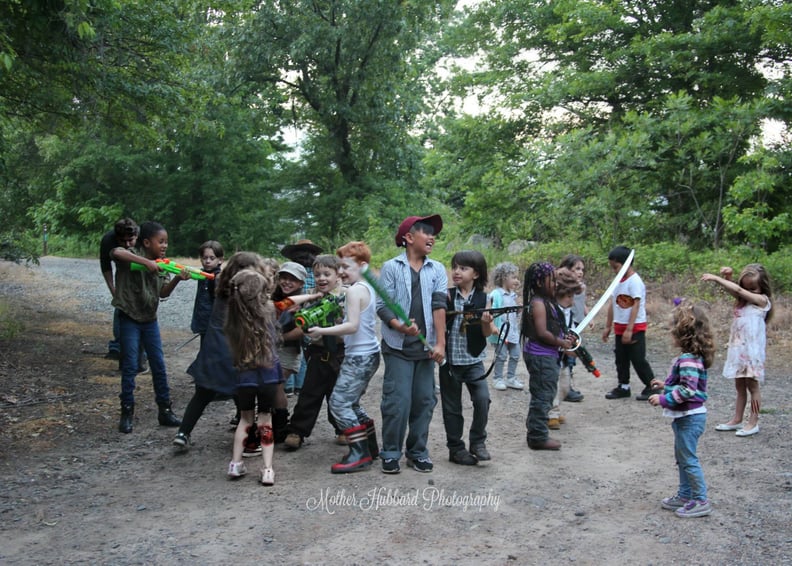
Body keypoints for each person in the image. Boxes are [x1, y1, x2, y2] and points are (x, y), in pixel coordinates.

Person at [174, 252, 268, 451]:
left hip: (212, 351)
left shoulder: (221, 291)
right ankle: (248, 436)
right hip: (233, 353)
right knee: (243, 393)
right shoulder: (246, 296)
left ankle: (183, 433)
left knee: (202, 395)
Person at [377, 214, 447, 474]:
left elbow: (440, 305)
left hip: (426, 348)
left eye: (433, 234)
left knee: (424, 401)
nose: (431, 237)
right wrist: (400, 326)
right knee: (398, 401)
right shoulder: (391, 267)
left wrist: (440, 344)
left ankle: (417, 452)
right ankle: (391, 452)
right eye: (425, 232)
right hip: (398, 347)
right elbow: (383, 306)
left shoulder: (437, 269)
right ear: (408, 238)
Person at [306, 241, 381, 473]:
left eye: (346, 267)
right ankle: (369, 446)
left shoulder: (356, 290)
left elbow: (351, 326)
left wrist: (321, 331)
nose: (341, 272)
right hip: (369, 354)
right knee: (352, 402)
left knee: (339, 404)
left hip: (359, 356)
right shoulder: (366, 287)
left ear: (362, 265)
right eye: (340, 267)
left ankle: (359, 454)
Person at [110, 221, 188, 433]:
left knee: (159, 366)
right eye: (160, 241)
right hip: (129, 318)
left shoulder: (164, 264)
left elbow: (163, 293)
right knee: (130, 366)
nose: (164, 246)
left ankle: (165, 410)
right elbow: (116, 252)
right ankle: (126, 412)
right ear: (146, 242)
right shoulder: (131, 254)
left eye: (166, 242)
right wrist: (145, 262)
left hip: (149, 320)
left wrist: (178, 279)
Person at [648, 301, 715, 518]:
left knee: (688, 458)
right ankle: (686, 494)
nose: (670, 335)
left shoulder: (688, 359)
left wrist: (664, 399)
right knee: (682, 457)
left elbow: (688, 390)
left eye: (672, 331)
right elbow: (685, 385)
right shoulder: (690, 358)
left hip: (690, 418)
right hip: (685, 417)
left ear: (683, 333)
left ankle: (700, 499)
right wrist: (666, 386)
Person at [223, 268, 281, 485]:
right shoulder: (269, 309)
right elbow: (289, 302)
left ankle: (235, 464)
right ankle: (267, 470)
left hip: (244, 377)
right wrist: (313, 295)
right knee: (265, 420)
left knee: (245, 419)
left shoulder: (233, 317)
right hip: (267, 376)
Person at [283, 255, 346, 450]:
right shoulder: (309, 294)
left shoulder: (347, 294)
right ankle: (297, 431)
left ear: (338, 275)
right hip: (317, 352)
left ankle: (343, 429)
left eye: (327, 274)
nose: (322, 278)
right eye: (317, 274)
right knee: (309, 394)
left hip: (341, 353)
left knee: (339, 395)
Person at [701, 264, 772, 437]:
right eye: (747, 287)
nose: (750, 292)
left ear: (762, 286)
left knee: (753, 386)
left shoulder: (762, 301)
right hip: (739, 349)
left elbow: (739, 291)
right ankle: (737, 418)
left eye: (753, 288)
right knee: (739, 385)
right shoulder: (743, 300)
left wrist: (717, 279)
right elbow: (736, 291)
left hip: (752, 351)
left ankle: (753, 421)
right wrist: (728, 278)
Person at [441, 250, 495, 466]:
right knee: (452, 407)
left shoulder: (485, 298)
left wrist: (485, 321)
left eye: (463, 268)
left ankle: (477, 442)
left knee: (483, 400)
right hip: (449, 362)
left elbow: (487, 333)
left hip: (473, 360)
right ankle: (456, 448)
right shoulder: (446, 295)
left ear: (476, 274)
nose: (456, 272)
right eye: (455, 267)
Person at [522, 262, 573, 450]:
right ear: (538, 283)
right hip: (541, 357)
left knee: (545, 393)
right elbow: (542, 332)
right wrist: (561, 343)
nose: (555, 283)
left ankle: (535, 429)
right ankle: (537, 436)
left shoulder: (547, 301)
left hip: (547, 355)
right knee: (543, 396)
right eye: (550, 279)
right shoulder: (538, 303)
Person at [601, 246, 657, 401]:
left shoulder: (635, 282)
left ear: (625, 264)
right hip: (619, 326)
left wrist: (629, 329)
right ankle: (623, 386)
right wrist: (608, 326)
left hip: (634, 327)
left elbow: (636, 306)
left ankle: (652, 386)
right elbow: (612, 303)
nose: (614, 270)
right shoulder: (617, 281)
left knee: (638, 358)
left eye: (616, 267)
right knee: (621, 358)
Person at [99, 218, 146, 372]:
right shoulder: (108, 241)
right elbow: (106, 266)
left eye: (130, 240)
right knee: (121, 316)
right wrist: (113, 291)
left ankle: (140, 355)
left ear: (137, 236)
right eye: (122, 241)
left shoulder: (144, 237)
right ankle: (118, 348)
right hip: (122, 280)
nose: (126, 244)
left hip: (142, 279)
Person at [281, 239, 323, 396]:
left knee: (292, 348)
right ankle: (301, 385)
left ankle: (288, 386)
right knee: (304, 350)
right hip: (312, 312)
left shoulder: (291, 271)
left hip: (292, 310)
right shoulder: (315, 271)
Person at [548, 267, 582, 430]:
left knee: (565, 386)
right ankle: (551, 413)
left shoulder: (569, 312)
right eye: (569, 296)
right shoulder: (551, 311)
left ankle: (556, 407)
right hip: (552, 355)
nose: (572, 300)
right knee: (552, 385)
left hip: (564, 357)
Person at [488, 261, 522, 392]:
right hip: (500, 332)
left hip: (512, 331)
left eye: (517, 277)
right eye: (513, 277)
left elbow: (514, 312)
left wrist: (518, 309)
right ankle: (497, 378)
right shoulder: (496, 294)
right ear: (503, 278)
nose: (516, 280)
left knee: (515, 354)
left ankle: (511, 378)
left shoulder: (513, 295)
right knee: (501, 356)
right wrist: (492, 327)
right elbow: (490, 311)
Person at [558, 254, 588, 402]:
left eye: (582, 269)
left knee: (572, 356)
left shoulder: (582, 287)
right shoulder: (564, 287)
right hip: (568, 324)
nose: (580, 272)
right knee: (567, 357)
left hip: (577, 324)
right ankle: (566, 387)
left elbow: (582, 303)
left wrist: (589, 316)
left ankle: (567, 385)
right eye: (577, 269)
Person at [190, 240, 224, 343]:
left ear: (220, 260)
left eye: (212, 258)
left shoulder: (219, 278)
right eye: (205, 258)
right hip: (203, 323)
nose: (208, 261)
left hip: (215, 325)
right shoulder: (201, 275)